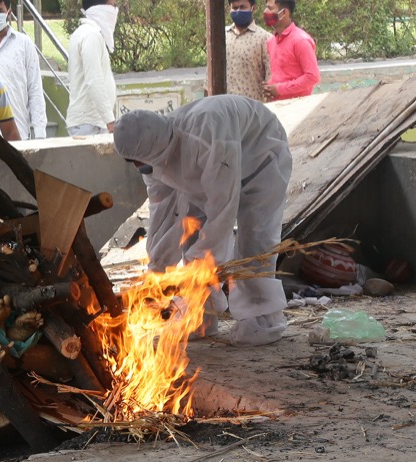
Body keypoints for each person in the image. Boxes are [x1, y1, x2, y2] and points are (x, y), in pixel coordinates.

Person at [114, 97, 292, 346]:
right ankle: (201, 316)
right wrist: (157, 271)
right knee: (192, 233)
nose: (143, 169)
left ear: (160, 150)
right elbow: (164, 214)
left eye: (144, 164)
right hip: (209, 175)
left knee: (255, 241)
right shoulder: (150, 156)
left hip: (261, 161)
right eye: (139, 166)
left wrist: (200, 267)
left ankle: (263, 320)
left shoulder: (207, 134)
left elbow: (223, 208)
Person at [0, 0, 49, 140]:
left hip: (18, 136)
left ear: (9, 13)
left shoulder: (23, 44)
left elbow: (35, 89)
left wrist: (40, 133)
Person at [67, 0, 118, 135]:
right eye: (113, 6)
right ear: (101, 9)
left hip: (93, 122)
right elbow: (94, 80)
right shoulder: (91, 35)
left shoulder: (88, 34)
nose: (115, 11)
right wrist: (110, 120)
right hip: (89, 124)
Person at [262, 0, 320, 101]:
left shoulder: (301, 40)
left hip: (297, 108)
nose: (265, 12)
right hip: (276, 107)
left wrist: (279, 89)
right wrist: (269, 87)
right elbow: (281, 75)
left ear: (284, 13)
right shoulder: (271, 41)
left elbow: (313, 77)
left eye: (270, 8)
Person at [224, 0, 272, 102]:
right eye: (234, 8)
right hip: (225, 109)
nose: (238, 11)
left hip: (253, 111)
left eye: (242, 7)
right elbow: (209, 79)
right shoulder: (221, 37)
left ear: (253, 8)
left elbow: (270, 80)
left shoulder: (265, 39)